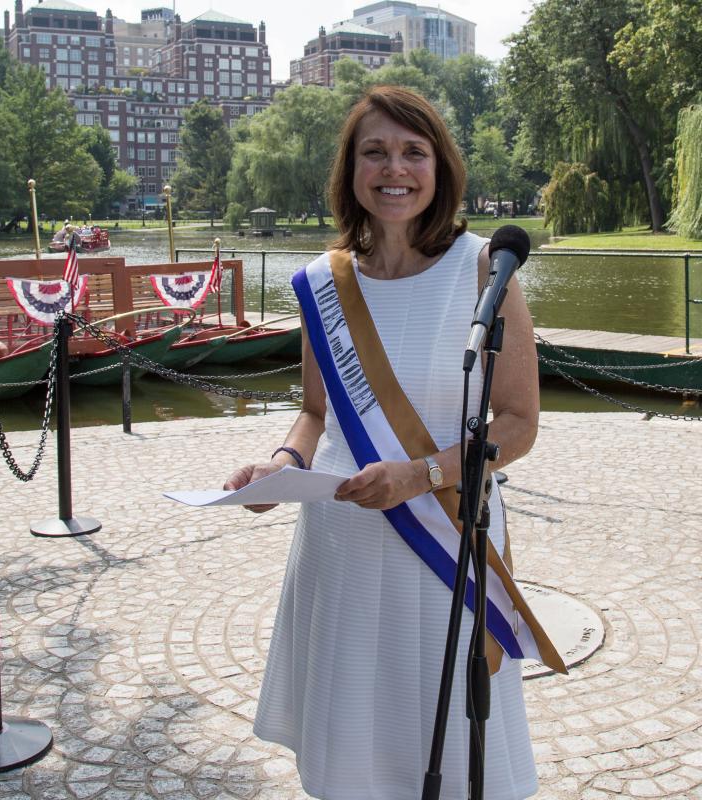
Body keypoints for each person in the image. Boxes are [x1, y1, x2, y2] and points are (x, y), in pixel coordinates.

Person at [224, 86, 562, 800]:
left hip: (446, 533)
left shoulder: (482, 268)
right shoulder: (323, 282)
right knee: (358, 749)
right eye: (374, 152)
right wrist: (280, 468)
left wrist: (420, 474)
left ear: (440, 167)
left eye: (414, 151)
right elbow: (314, 414)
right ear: (351, 170)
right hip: (342, 540)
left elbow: (519, 422)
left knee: (448, 730)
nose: (394, 168)